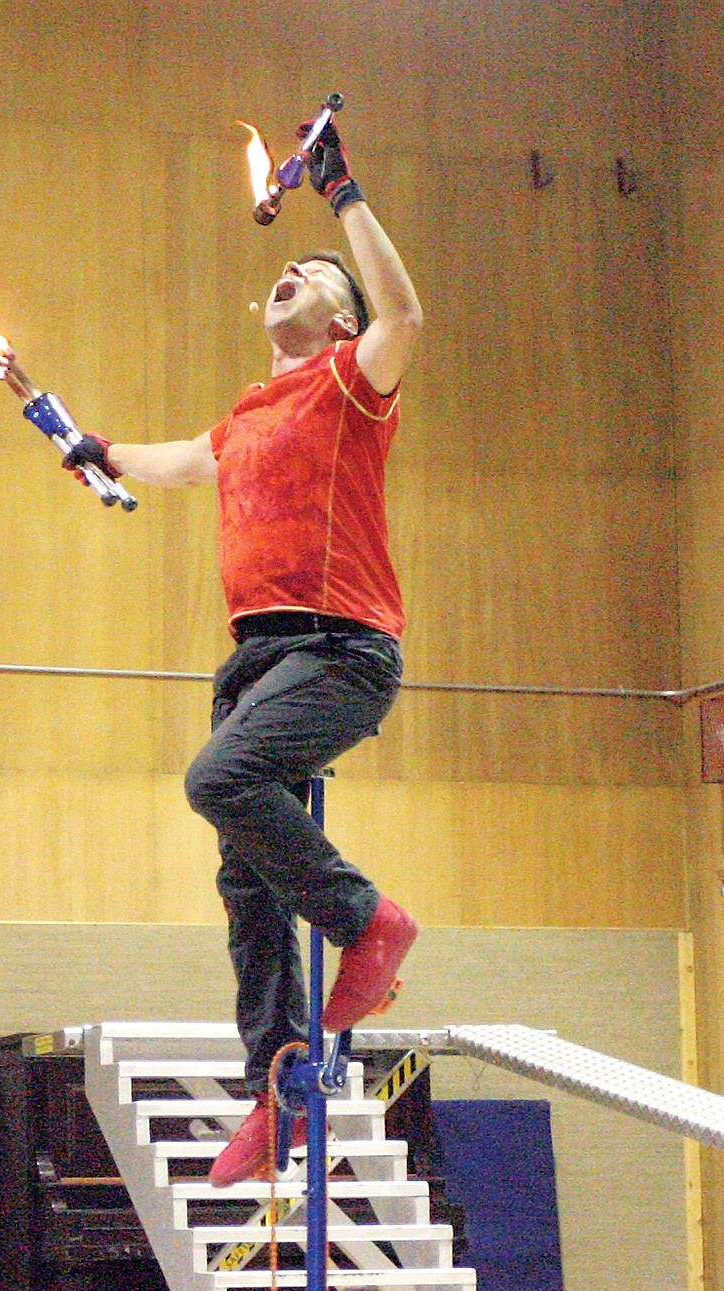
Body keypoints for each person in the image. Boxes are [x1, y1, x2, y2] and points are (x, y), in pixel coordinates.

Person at [63, 122, 422, 1186]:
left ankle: (369, 922)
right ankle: (283, 1085)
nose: (292, 271)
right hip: (258, 658)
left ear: (341, 316)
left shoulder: (355, 380)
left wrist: (342, 196)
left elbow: (404, 310)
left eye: (314, 273)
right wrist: (100, 451)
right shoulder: (251, 413)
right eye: (293, 263)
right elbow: (183, 463)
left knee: (219, 778)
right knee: (246, 876)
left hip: (342, 647)